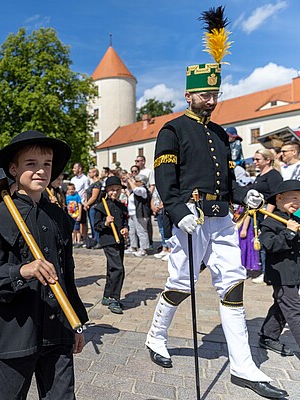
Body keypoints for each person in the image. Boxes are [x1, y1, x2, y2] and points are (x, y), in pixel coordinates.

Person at [145, 9, 287, 397]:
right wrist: (177, 212)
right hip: (190, 217)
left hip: (222, 218)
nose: (212, 101)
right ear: (188, 94)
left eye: (215, 94)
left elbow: (225, 180)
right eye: (205, 94)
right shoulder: (173, 129)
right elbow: (164, 178)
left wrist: (245, 194)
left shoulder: (222, 136)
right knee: (181, 283)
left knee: (233, 285)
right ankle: (156, 336)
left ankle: (243, 366)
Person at [0, 130, 88, 399]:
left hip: (58, 331)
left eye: (46, 164)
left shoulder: (59, 217)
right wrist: (22, 271)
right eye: (31, 164)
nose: (40, 171)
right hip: (16, 333)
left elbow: (67, 276)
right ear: (13, 169)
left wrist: (77, 322)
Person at [258, 180, 300, 357]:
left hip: (295, 272)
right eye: (294, 198)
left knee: (281, 305)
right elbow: (268, 245)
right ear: (280, 198)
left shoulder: (296, 219)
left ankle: (268, 336)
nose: (297, 203)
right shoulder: (271, 222)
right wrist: (288, 232)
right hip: (281, 274)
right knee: (294, 310)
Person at [246, 149, 283, 283]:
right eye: (254, 159)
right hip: (258, 213)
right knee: (260, 243)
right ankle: (264, 271)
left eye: (258, 159)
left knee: (267, 242)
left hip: (268, 213)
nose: (255, 162)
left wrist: (268, 215)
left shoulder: (273, 175)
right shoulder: (260, 175)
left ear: (267, 160)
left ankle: (268, 273)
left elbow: (274, 196)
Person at [94, 176, 129, 314]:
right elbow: (97, 226)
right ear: (107, 191)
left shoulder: (121, 206)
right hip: (108, 241)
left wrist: (125, 229)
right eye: (112, 190)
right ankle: (115, 299)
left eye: (117, 190)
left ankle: (107, 295)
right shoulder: (101, 207)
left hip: (119, 240)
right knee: (118, 269)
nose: (114, 192)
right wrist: (105, 223)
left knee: (112, 269)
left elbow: (124, 222)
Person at [71, 162, 90, 245]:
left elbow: (86, 191)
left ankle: (84, 238)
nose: (73, 169)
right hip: (72, 203)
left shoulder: (85, 179)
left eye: (75, 168)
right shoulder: (73, 179)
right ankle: (75, 237)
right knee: (74, 221)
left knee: (83, 222)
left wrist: (86, 203)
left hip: (81, 202)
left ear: (80, 169)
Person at [84, 168, 103, 248]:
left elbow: (94, 197)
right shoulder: (93, 183)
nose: (89, 173)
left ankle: (98, 241)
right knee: (91, 225)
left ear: (95, 173)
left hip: (94, 206)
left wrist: (86, 204)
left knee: (95, 224)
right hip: (90, 207)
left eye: (90, 172)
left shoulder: (97, 184)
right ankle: (94, 240)